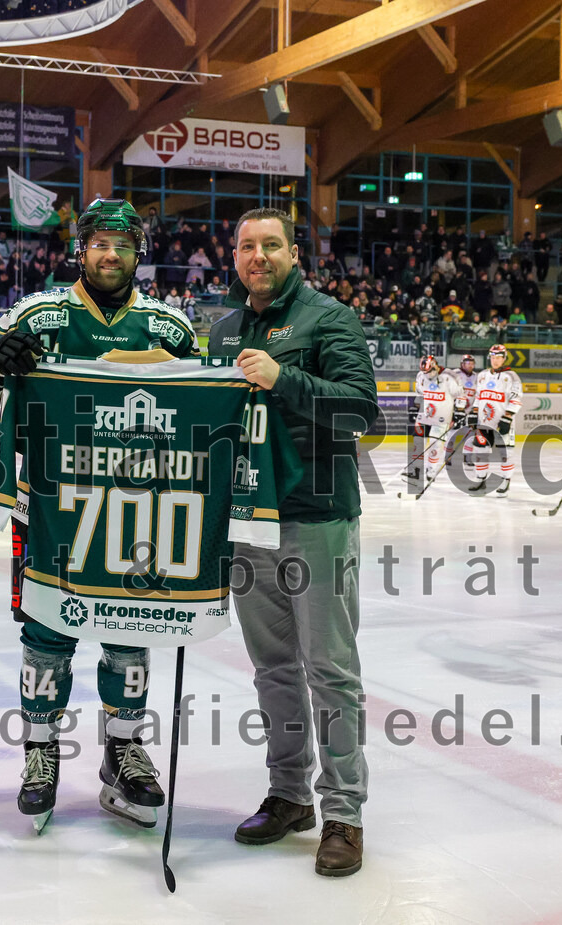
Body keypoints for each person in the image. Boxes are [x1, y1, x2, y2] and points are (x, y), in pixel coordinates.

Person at [0, 199, 199, 832]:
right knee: (46, 631)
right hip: (45, 506)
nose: (110, 254)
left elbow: (199, 412)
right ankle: (41, 755)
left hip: (136, 507)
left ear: (138, 252)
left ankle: (123, 751)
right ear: (80, 251)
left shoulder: (169, 327)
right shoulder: (38, 314)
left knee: (132, 626)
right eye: (99, 243)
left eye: (122, 244)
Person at [207, 207, 378, 877]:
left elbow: (362, 409)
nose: (258, 255)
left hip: (315, 518)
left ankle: (345, 813)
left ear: (293, 253)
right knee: (273, 668)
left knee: (330, 669)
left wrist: (286, 379)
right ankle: (288, 794)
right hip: (247, 522)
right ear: (235, 255)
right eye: (247, 244)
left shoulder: (327, 318)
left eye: (270, 244)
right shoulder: (223, 330)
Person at [464, 344, 523, 495]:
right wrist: (474, 412)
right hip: (484, 423)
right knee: (479, 451)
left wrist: (508, 417)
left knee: (505, 453)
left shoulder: (512, 376)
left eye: (498, 358)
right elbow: (478, 396)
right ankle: (481, 480)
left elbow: (516, 399)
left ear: (504, 359)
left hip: (501, 422)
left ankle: (505, 481)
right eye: (493, 357)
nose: (495, 360)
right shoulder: (483, 375)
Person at [408, 355, 466, 484]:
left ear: (435, 366)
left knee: (436, 443)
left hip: (442, 416)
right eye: (424, 372)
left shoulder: (450, 376)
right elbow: (420, 394)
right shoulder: (421, 375)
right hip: (424, 415)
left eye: (429, 372)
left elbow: (461, 395)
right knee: (418, 442)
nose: (427, 375)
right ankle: (416, 468)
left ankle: (431, 469)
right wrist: (415, 407)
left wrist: (459, 411)